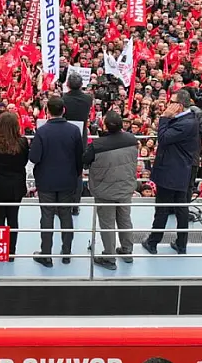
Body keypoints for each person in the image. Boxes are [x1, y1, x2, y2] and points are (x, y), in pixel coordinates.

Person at [143, 89, 200, 256]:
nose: (168, 105)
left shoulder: (186, 123)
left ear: (180, 105)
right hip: (180, 171)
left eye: (172, 102)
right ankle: (181, 244)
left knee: (164, 209)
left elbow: (163, 138)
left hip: (171, 172)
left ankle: (153, 243)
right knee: (181, 208)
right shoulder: (187, 119)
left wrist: (164, 118)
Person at [29, 97, 84, 267]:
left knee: (47, 216)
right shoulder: (74, 130)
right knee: (66, 214)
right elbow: (79, 158)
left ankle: (46, 255)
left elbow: (34, 157)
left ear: (47, 111)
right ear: (64, 110)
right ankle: (66, 253)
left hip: (46, 181)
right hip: (67, 180)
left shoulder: (42, 131)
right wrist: (75, 175)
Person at [84, 110, 139, 268]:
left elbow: (85, 161)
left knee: (107, 224)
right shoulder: (132, 139)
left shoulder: (97, 145)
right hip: (125, 188)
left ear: (105, 126)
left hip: (104, 191)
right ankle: (127, 251)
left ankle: (109, 257)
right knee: (125, 219)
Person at [0, 111, 28, 261]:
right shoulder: (23, 143)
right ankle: (11, 252)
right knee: (13, 218)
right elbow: (24, 162)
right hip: (16, 186)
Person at [62, 72, 93, 214]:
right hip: (81, 137)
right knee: (78, 172)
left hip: (65, 136)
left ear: (68, 85)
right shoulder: (88, 99)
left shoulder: (63, 99)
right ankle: (75, 205)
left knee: (62, 170)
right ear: (81, 85)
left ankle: (63, 205)